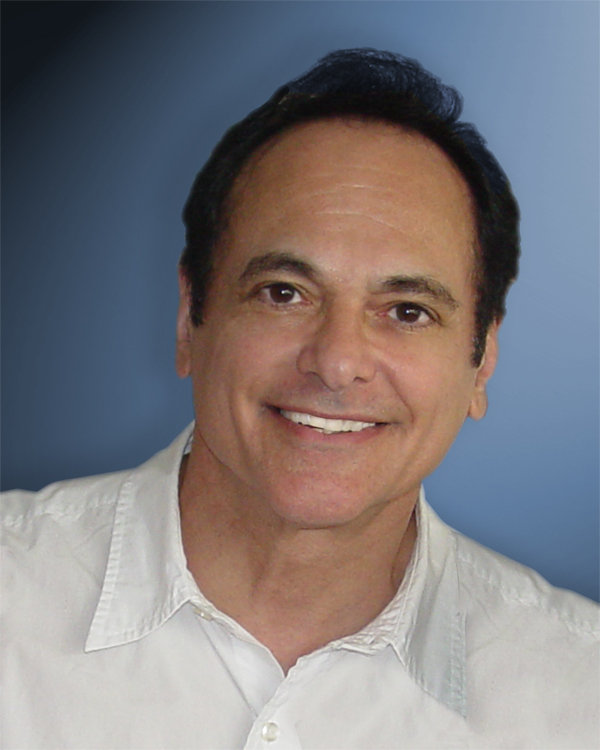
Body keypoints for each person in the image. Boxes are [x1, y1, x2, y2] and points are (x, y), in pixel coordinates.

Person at [1, 48, 598, 750]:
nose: (338, 363)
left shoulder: (578, 693)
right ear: (190, 317)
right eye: (284, 294)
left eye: (407, 311)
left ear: (482, 361)